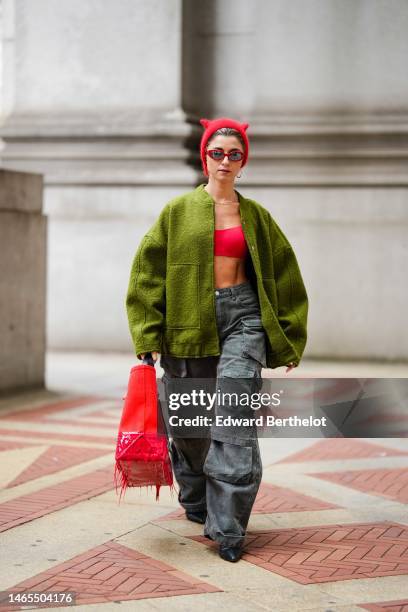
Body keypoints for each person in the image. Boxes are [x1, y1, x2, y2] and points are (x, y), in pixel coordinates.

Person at [126, 117, 308, 562]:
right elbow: (146, 275)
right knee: (189, 423)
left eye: (234, 154)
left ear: (244, 162)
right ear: (203, 157)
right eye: (217, 153)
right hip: (189, 324)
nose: (225, 161)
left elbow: (286, 276)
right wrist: (147, 333)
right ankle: (197, 499)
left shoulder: (257, 217)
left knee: (234, 423)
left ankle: (228, 529)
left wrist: (288, 336)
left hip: (244, 320)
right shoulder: (177, 212)